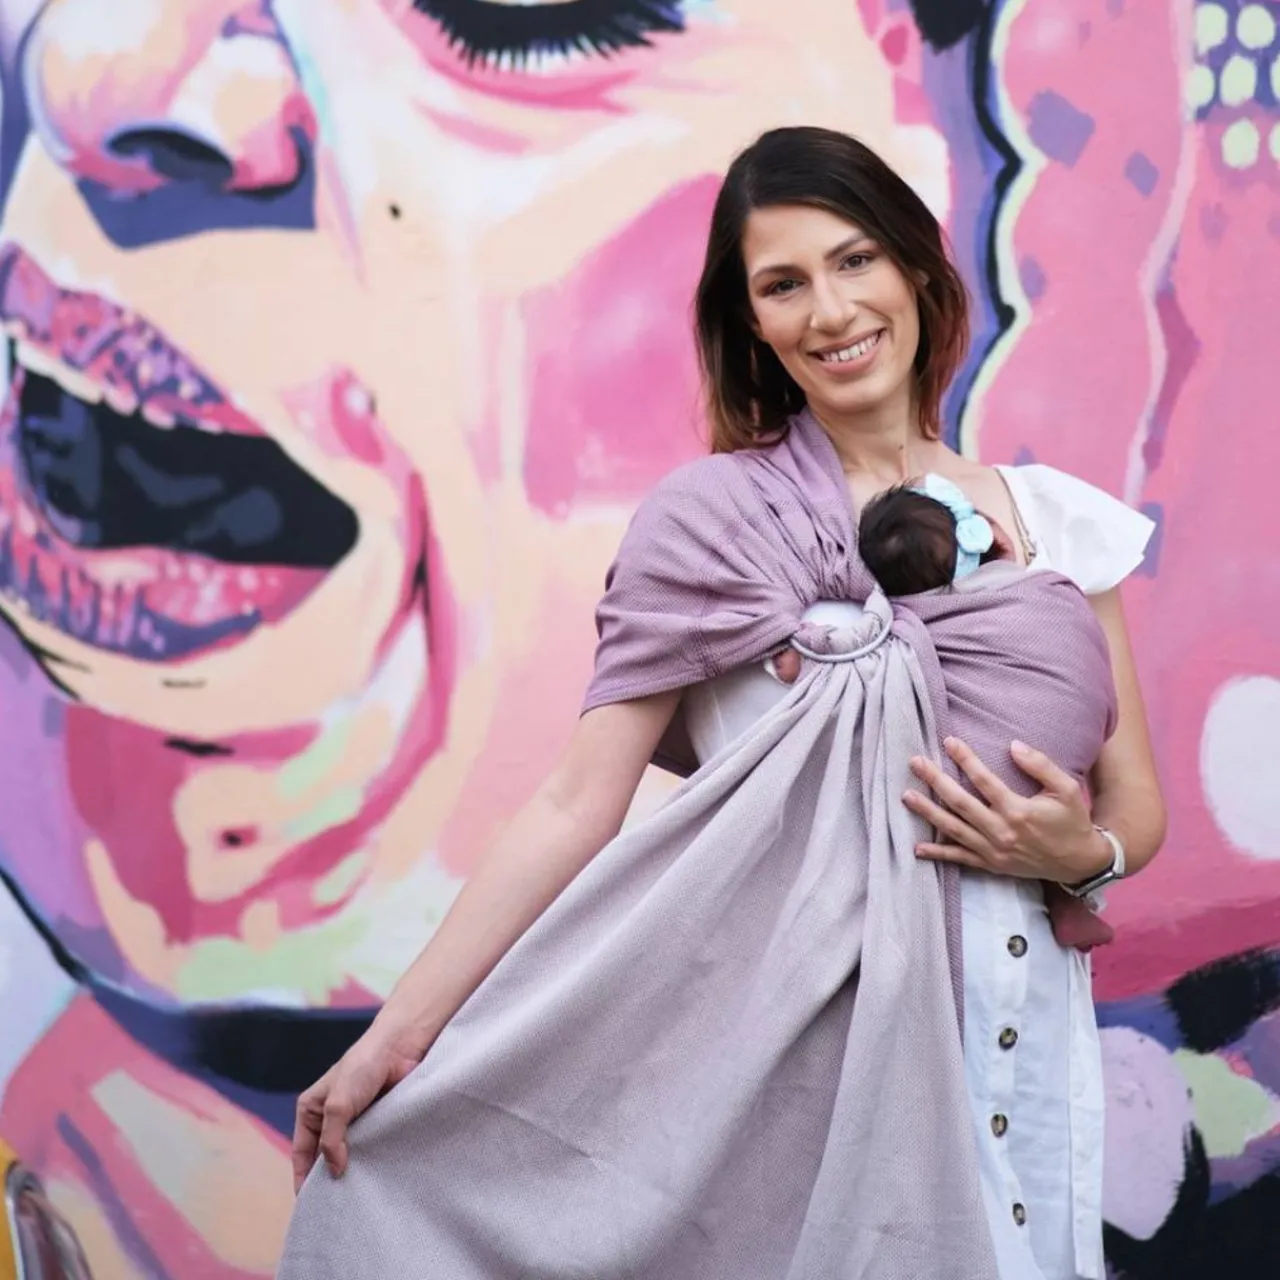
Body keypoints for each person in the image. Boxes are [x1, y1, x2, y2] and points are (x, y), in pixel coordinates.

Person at [285, 127, 1166, 1280]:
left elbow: (1130, 801)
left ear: (914, 268)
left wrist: (1080, 852)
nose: (830, 310)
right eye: (782, 284)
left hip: (1017, 1039)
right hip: (795, 1078)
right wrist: (394, 1040)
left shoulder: (1056, 524)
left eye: (854, 261)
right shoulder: (709, 533)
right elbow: (574, 803)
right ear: (750, 321)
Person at [858, 474, 1115, 952]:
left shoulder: (904, 616)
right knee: (1032, 800)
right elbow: (1090, 659)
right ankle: (1067, 899)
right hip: (1066, 760)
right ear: (993, 535)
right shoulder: (1049, 591)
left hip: (957, 788)